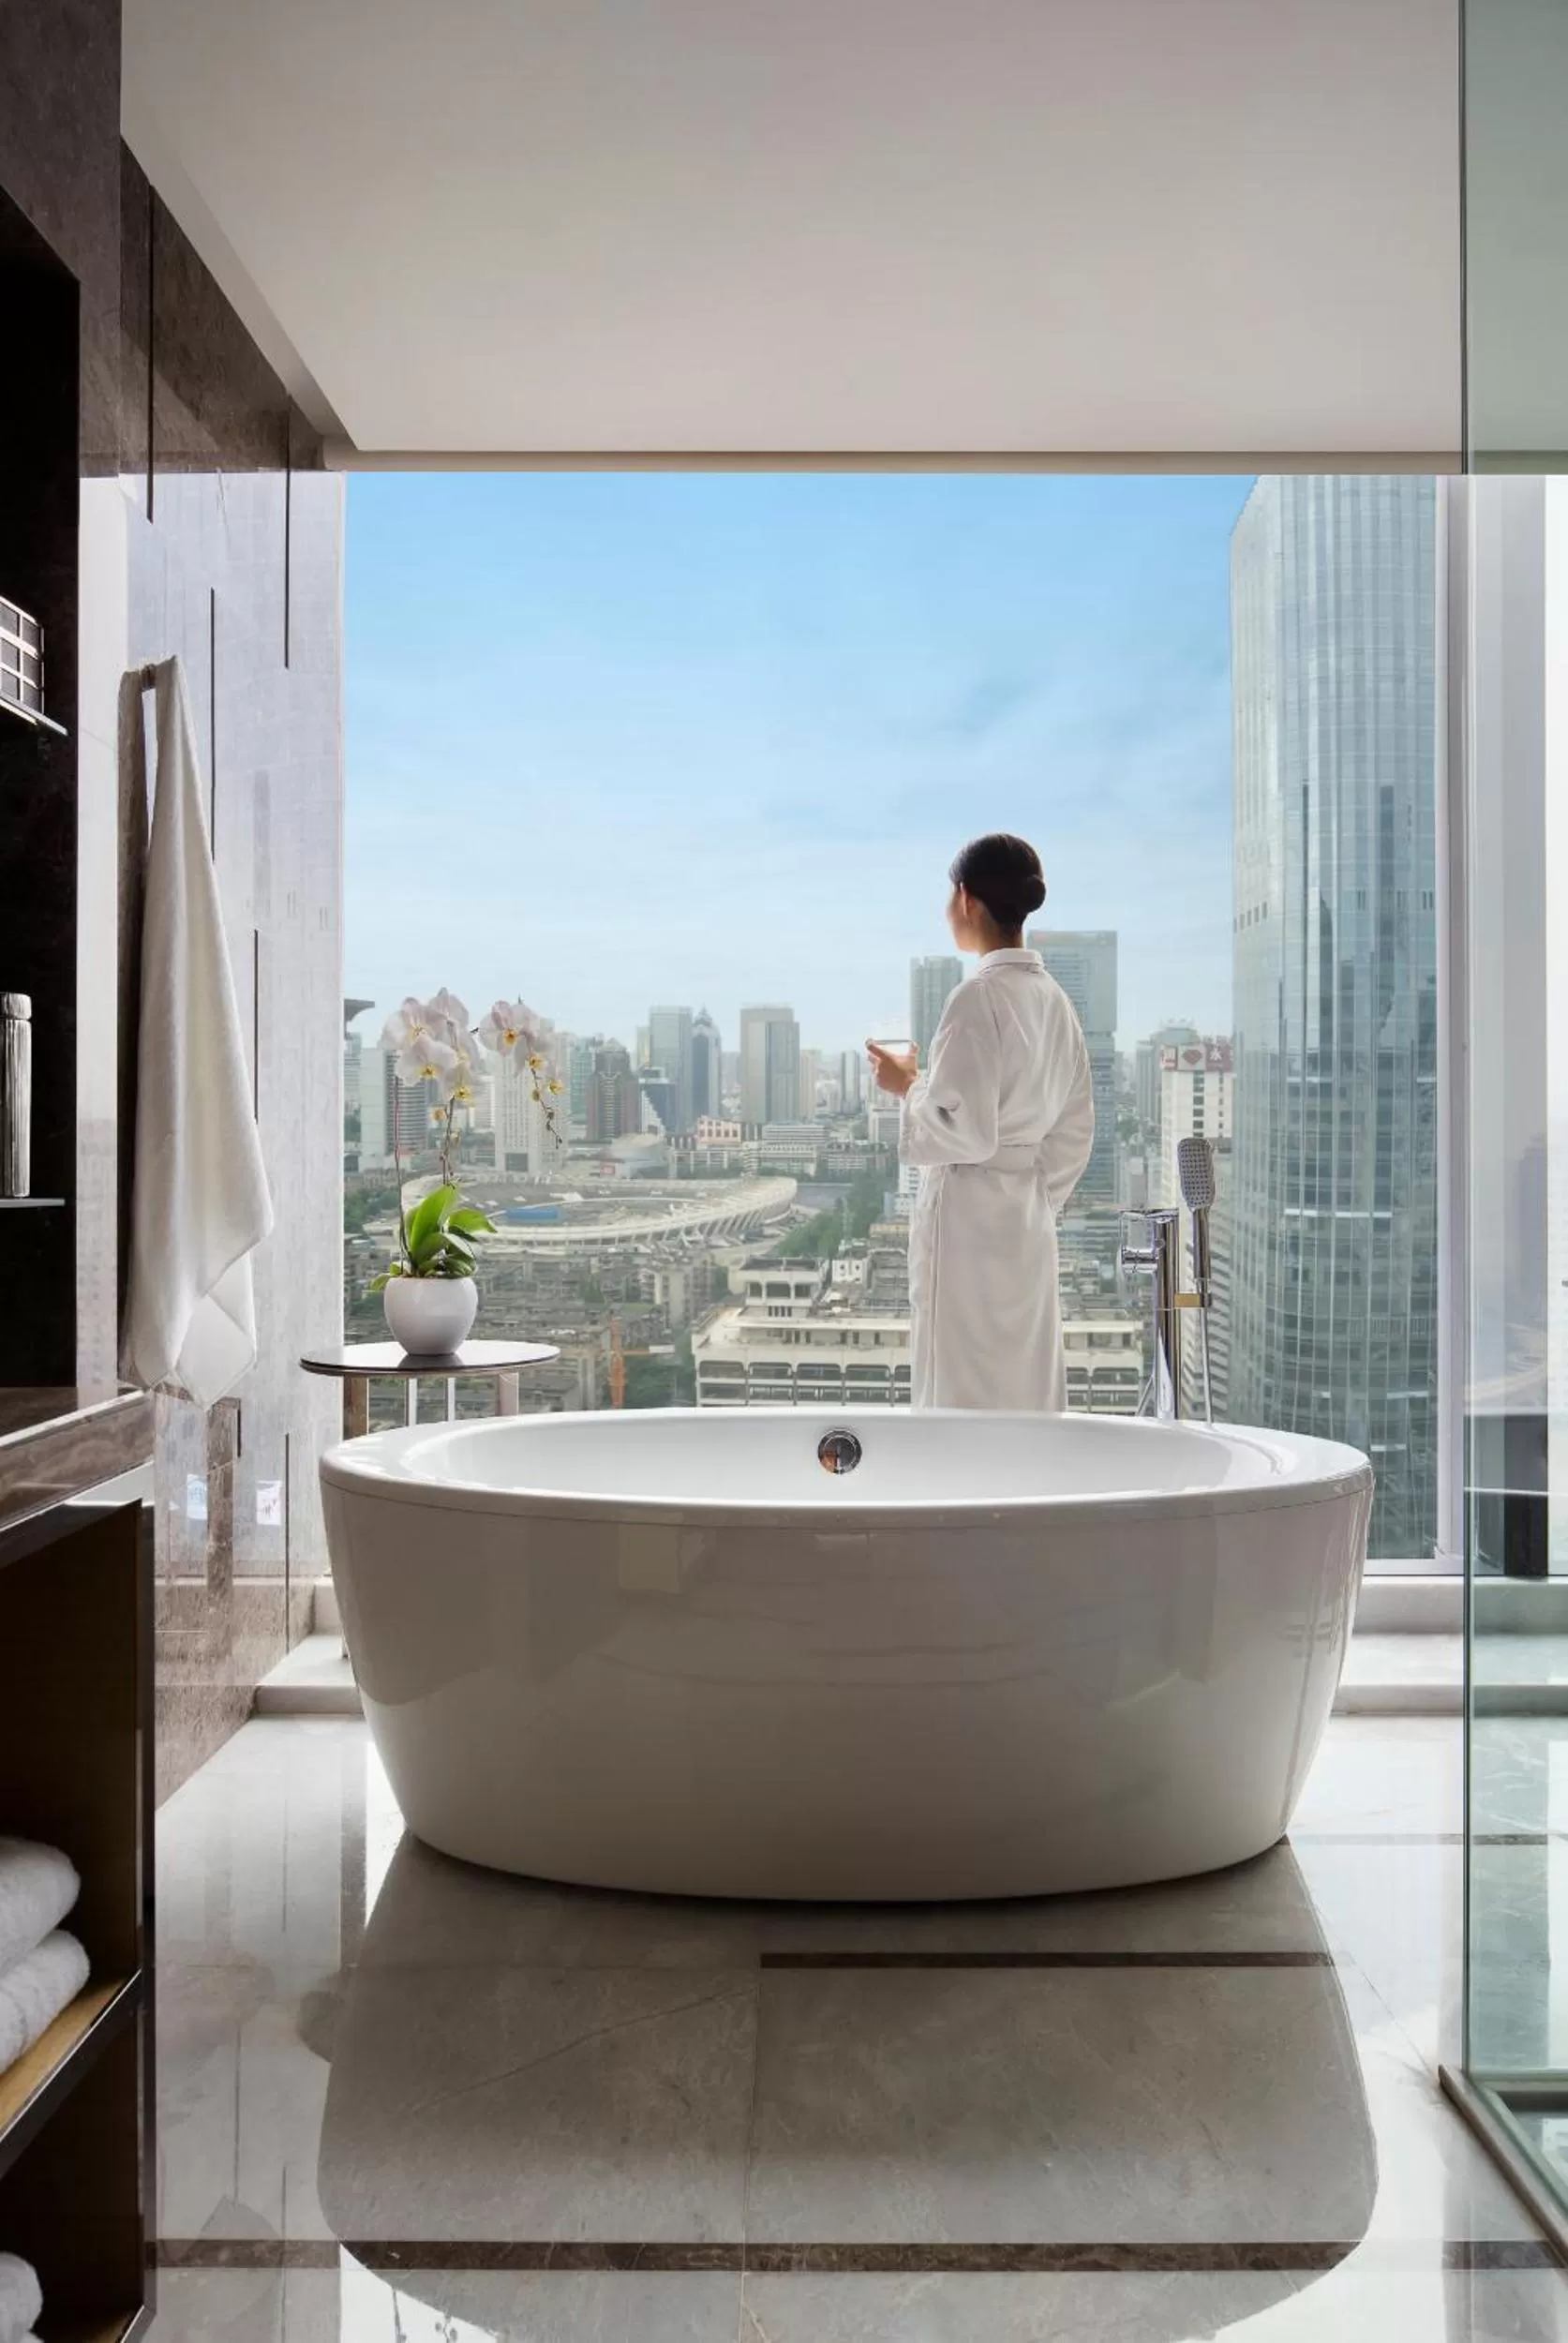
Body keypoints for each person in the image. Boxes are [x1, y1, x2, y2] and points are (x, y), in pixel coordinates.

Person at [867, 834, 1095, 1411]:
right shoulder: (1056, 1002)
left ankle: (962, 1497)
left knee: (960, 1382)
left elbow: (961, 1129)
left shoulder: (977, 997)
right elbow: (1074, 1133)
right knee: (1025, 1379)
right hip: (1025, 1219)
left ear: (966, 899)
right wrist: (1032, 1194)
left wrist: (907, 1085)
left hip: (967, 1219)